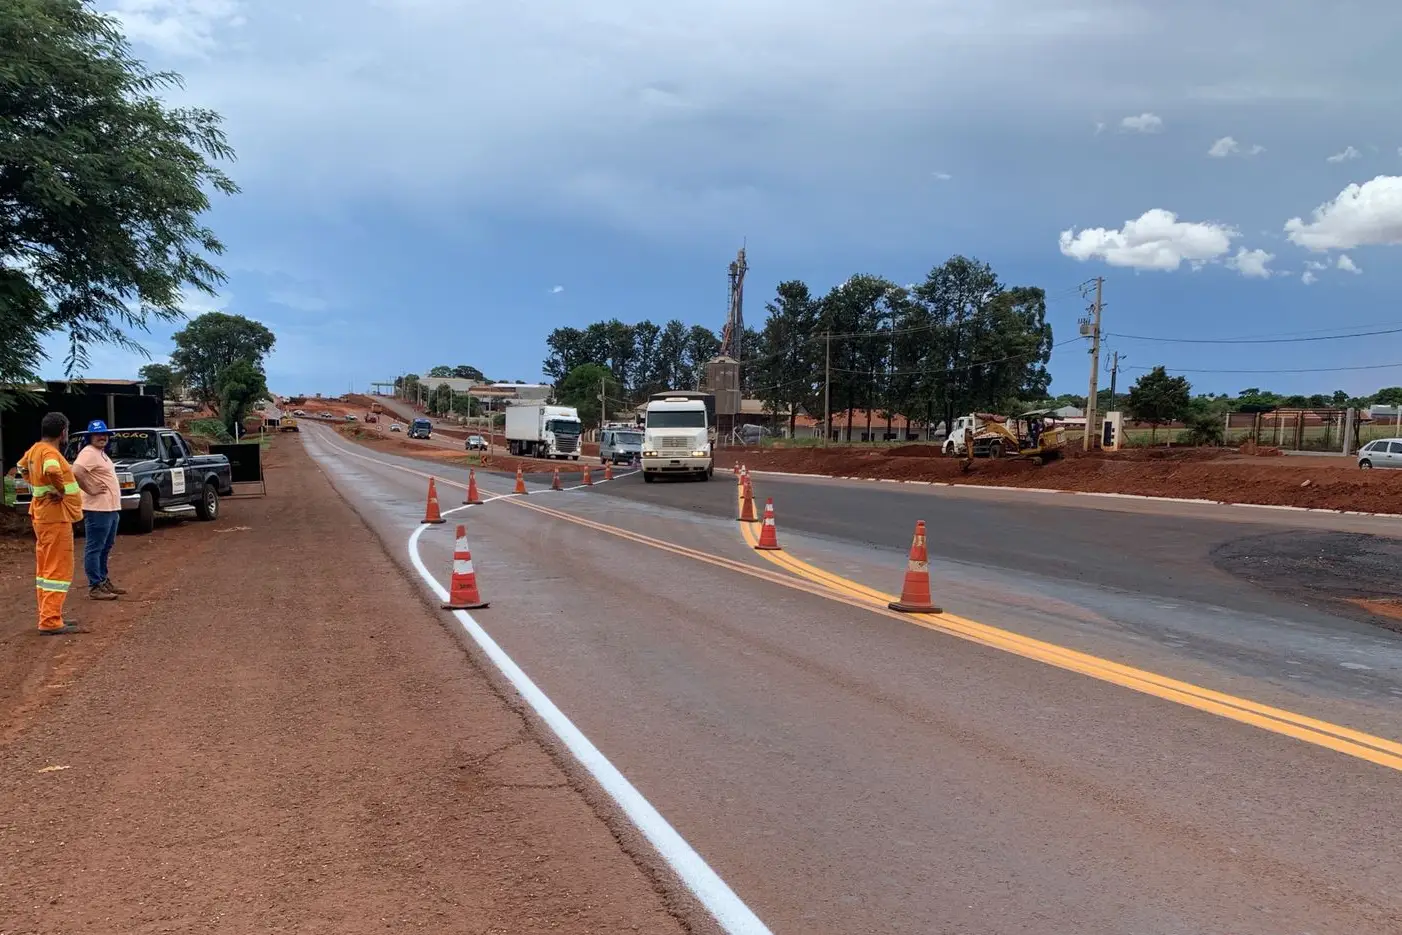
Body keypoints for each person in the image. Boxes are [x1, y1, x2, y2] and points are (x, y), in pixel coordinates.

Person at [18, 412, 84, 634]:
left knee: (46, 569)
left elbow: (21, 467)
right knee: (58, 568)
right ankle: (50, 621)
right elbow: (52, 469)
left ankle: (49, 614)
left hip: (42, 515)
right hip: (55, 516)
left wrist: (39, 485)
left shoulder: (35, 449)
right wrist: (60, 489)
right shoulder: (49, 452)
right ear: (63, 432)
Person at [72, 419, 125, 601]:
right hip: (97, 509)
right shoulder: (88, 453)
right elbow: (76, 471)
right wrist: (90, 488)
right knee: (95, 548)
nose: (102, 437)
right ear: (90, 437)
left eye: (104, 434)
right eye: (97, 434)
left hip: (109, 508)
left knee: (105, 547)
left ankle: (102, 580)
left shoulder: (100, 453)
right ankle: (95, 585)